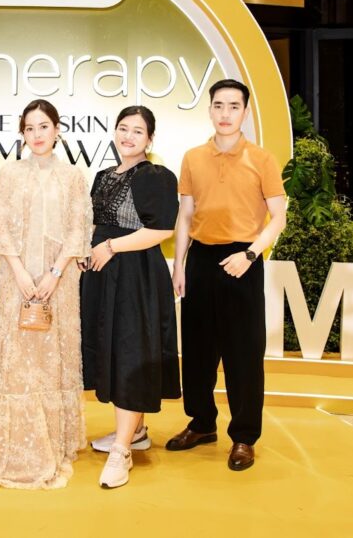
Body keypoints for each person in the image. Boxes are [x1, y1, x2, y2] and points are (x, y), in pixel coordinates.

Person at [0, 99, 92, 489]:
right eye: (29, 128)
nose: (37, 134)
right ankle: (12, 441)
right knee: (17, 357)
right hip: (17, 282)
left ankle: (53, 439)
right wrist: (19, 274)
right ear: (22, 134)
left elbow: (78, 231)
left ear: (57, 130)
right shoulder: (10, 173)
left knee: (51, 356)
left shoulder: (73, 176)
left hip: (59, 282)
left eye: (43, 126)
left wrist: (54, 274)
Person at [168, 79, 287, 472]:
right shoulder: (192, 158)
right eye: (219, 105)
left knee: (244, 354)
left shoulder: (262, 159)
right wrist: (179, 264)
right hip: (201, 260)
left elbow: (279, 216)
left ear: (245, 112)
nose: (225, 113)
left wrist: (251, 254)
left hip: (243, 260)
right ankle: (202, 424)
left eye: (234, 106)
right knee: (197, 351)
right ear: (210, 110)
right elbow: (186, 215)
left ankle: (244, 437)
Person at [80, 105, 180, 489]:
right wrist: (85, 251)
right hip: (103, 275)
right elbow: (94, 223)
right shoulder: (103, 176)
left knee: (132, 352)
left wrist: (111, 246)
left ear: (150, 139)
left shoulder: (157, 176)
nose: (128, 136)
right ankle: (134, 432)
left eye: (138, 131)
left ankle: (122, 451)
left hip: (136, 276)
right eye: (123, 128)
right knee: (111, 351)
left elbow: (163, 229)